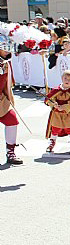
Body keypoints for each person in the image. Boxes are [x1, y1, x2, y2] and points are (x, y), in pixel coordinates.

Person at [45, 70, 70, 154]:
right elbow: (50, 98)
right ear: (62, 78)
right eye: (65, 78)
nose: (67, 81)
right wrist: (54, 104)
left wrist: (64, 107)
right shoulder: (55, 90)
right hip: (56, 114)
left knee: (69, 129)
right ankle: (51, 143)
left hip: (68, 114)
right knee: (55, 129)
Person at [0, 28, 23, 165]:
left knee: (12, 120)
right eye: (5, 49)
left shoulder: (6, 62)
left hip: (1, 99)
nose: (8, 52)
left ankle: (11, 152)